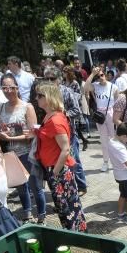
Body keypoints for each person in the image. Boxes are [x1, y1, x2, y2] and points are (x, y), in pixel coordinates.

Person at [35, 83, 87, 232]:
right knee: (65, 206)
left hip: (59, 169)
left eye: (40, 95)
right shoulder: (49, 116)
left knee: (68, 207)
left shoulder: (55, 120)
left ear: (49, 98)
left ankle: (77, 235)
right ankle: (75, 233)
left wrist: (55, 172)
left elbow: (65, 149)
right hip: (55, 167)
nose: (36, 98)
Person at [0, 73, 45, 223]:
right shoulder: (1, 107)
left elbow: (32, 134)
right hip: (11, 154)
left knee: (35, 186)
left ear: (17, 88)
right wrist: (2, 133)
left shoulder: (27, 107)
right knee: (20, 187)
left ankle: (42, 215)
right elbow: (1, 126)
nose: (8, 91)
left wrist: (10, 138)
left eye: (11, 87)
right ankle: (27, 213)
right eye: (4, 88)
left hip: (27, 153)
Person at [42, 67, 87, 196]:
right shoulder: (45, 93)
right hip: (53, 134)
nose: (50, 81)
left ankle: (81, 186)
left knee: (74, 160)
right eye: (47, 79)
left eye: (52, 78)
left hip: (69, 133)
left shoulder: (67, 92)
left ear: (59, 79)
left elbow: (77, 110)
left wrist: (62, 115)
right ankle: (64, 187)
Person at [87, 67, 119, 172]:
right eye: (98, 76)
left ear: (105, 75)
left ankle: (115, 161)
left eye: (102, 75)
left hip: (110, 112)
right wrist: (92, 74)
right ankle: (105, 161)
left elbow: (117, 103)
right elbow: (85, 88)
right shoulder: (95, 86)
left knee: (113, 138)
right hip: (100, 114)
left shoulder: (113, 87)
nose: (100, 78)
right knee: (104, 140)